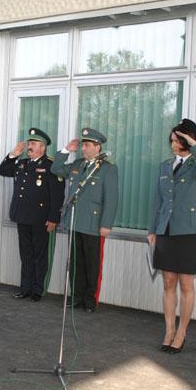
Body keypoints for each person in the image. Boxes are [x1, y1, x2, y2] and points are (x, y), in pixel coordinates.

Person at [147, 119, 196, 354]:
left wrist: (194, 144)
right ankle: (169, 330)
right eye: (172, 139)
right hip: (165, 229)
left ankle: (182, 331)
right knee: (167, 283)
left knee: (186, 284)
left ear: (187, 140)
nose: (173, 143)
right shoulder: (165, 166)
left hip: (187, 231)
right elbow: (158, 200)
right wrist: (152, 230)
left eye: (177, 139)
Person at [51, 128, 118, 313]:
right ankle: (77, 297)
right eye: (83, 145)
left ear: (98, 147)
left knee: (92, 264)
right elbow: (55, 168)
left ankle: (90, 301)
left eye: (87, 145)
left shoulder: (107, 169)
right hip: (75, 221)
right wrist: (66, 150)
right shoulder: (78, 165)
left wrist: (106, 224)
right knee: (75, 263)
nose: (84, 149)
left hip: (93, 224)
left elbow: (111, 199)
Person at [0, 128, 65, 302]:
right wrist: (13, 154)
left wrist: (53, 219)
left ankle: (37, 290)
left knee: (39, 255)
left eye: (33, 143)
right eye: (29, 143)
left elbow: (57, 195)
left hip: (41, 219)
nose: (29, 146)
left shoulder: (51, 165)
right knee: (26, 254)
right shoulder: (22, 163)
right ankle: (25, 288)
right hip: (22, 216)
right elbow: (3, 170)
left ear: (42, 147)